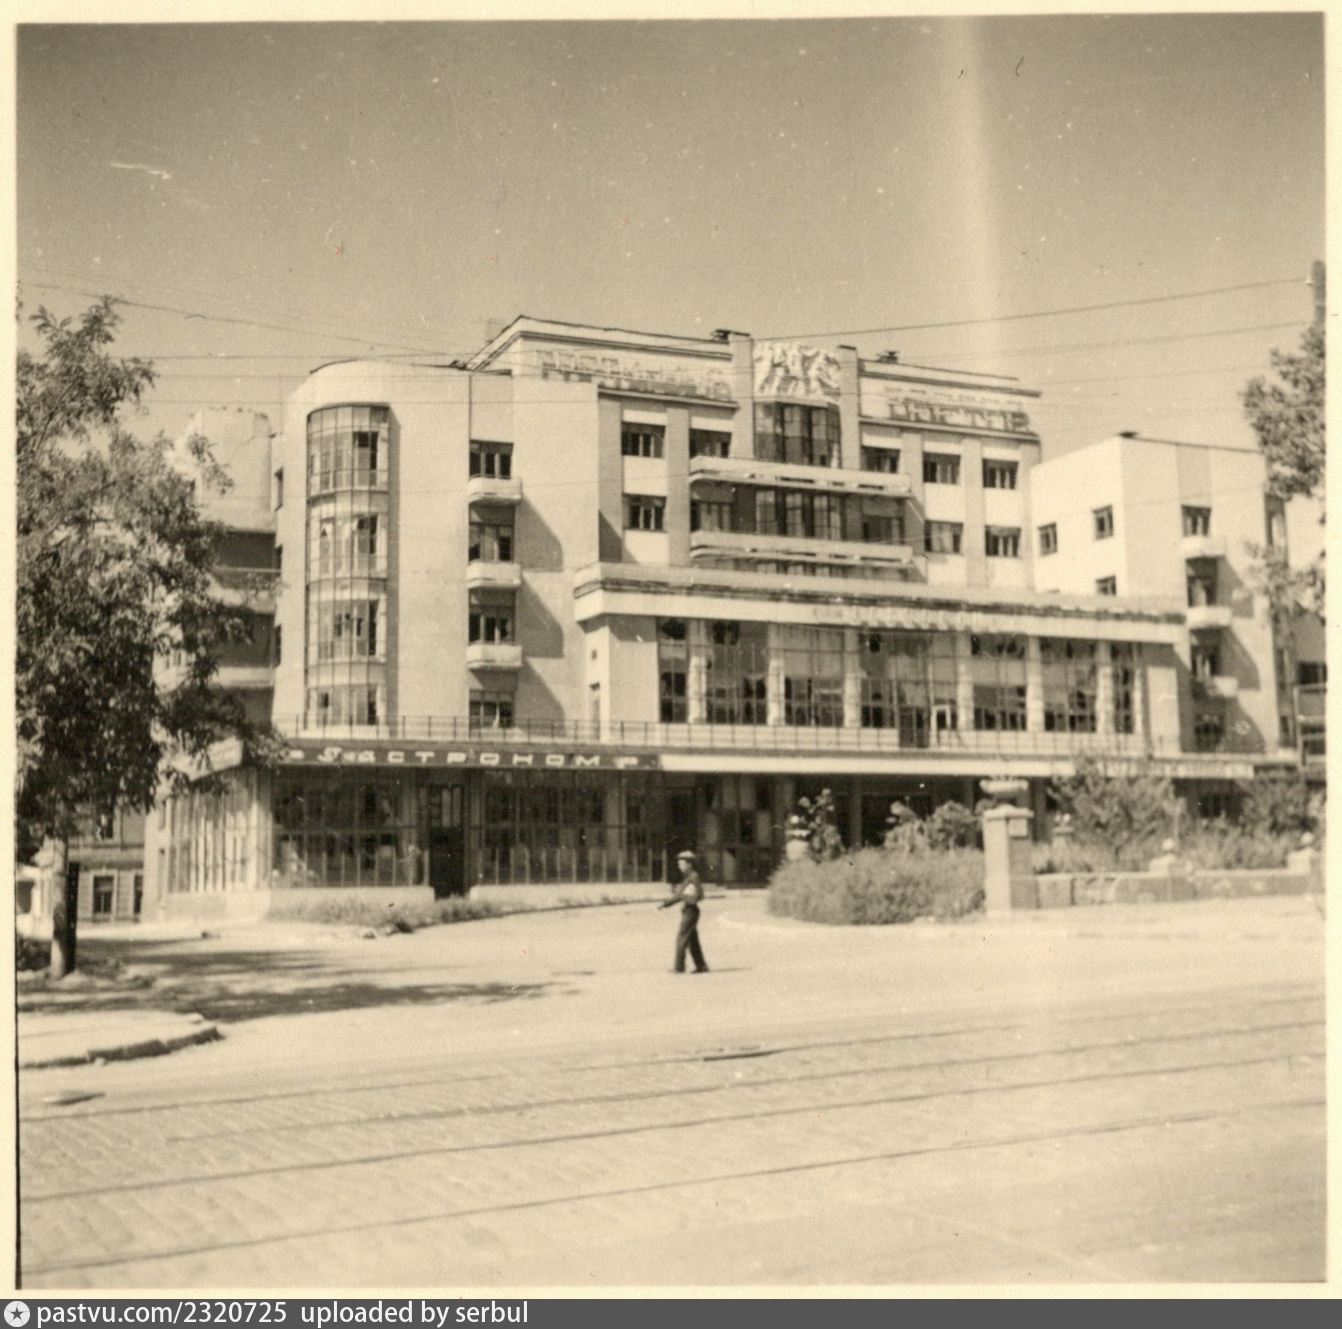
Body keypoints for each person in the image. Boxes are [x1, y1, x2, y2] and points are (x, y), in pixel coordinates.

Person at [660, 849, 709, 973]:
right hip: (688, 910)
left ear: (689, 864)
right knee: (692, 940)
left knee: (681, 938)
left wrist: (667, 903)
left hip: (691, 911)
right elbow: (681, 895)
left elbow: (699, 895)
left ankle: (679, 967)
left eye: (681, 863)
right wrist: (668, 902)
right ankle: (701, 966)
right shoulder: (689, 877)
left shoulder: (693, 877)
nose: (679, 866)